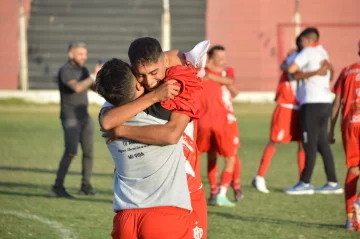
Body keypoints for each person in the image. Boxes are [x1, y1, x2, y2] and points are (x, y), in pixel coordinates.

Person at [100, 38, 209, 239]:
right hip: (172, 205)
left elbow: (107, 122)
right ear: (131, 71)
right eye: (141, 76)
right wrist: (156, 95)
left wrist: (122, 130)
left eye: (153, 73)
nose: (149, 82)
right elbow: (171, 134)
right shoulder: (177, 90)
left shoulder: (111, 109)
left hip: (127, 214)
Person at [252, 35, 330, 193]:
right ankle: (259, 177)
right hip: (286, 108)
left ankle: (303, 181)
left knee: (303, 143)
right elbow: (285, 67)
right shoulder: (295, 59)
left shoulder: (310, 59)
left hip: (301, 108)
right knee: (274, 141)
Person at [285, 27, 342, 195]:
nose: (300, 44)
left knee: (309, 143)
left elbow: (291, 70)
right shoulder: (323, 52)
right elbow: (329, 74)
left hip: (312, 103)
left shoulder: (308, 51)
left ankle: (305, 182)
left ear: (308, 40)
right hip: (325, 102)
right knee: (322, 144)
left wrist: (308, 71)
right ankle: (332, 182)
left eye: (301, 40)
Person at [48, 41, 101, 198]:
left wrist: (99, 78)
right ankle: (57, 187)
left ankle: (86, 186)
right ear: (71, 54)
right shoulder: (66, 70)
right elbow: (77, 87)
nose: (84, 57)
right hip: (70, 117)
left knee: (89, 152)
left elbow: (94, 88)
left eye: (85, 54)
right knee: (71, 151)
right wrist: (92, 76)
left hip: (85, 117)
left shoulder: (83, 70)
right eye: (80, 54)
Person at [196, 45, 242, 207]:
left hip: (204, 123)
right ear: (210, 58)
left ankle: (216, 190)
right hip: (223, 122)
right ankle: (222, 191)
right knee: (231, 156)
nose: (223, 61)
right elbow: (231, 87)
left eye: (224, 58)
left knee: (210, 155)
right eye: (220, 58)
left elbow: (233, 87)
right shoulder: (201, 73)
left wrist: (209, 75)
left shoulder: (221, 72)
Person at [329, 41, 360, 230]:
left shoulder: (346, 71)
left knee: (354, 168)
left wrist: (330, 130)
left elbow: (336, 103)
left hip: (349, 126)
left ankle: (350, 218)